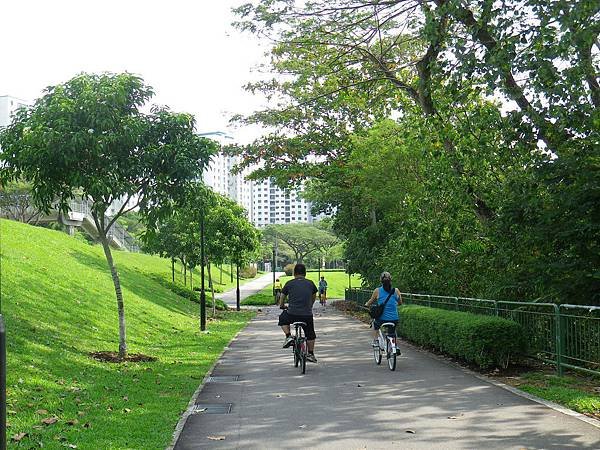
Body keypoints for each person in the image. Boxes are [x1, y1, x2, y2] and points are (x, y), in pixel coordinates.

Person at [278, 263, 319, 363]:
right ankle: (310, 353)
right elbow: (314, 296)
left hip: (292, 314)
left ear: (294, 273)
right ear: (305, 273)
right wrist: (310, 305)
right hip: (307, 315)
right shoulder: (310, 283)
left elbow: (282, 298)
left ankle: (288, 336)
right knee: (310, 333)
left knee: (282, 318)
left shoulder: (289, 283)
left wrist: (282, 306)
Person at [364, 271, 402, 351]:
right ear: (390, 280)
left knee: (375, 324)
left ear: (381, 281)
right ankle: (395, 346)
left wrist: (366, 304)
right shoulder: (396, 291)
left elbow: (370, 301)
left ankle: (376, 341)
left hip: (381, 319)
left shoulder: (377, 291)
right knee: (392, 331)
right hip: (394, 318)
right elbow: (400, 302)